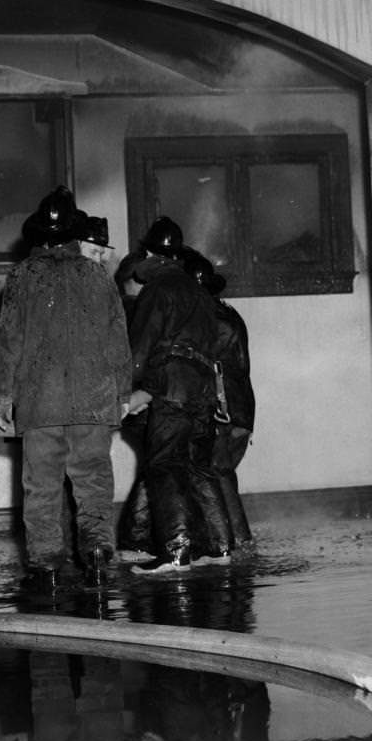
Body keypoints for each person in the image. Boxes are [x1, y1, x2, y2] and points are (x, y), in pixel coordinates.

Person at [0, 187, 134, 593]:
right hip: (92, 402)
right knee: (93, 484)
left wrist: (2, 396)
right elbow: (117, 339)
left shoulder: (21, 276)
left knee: (41, 488)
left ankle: (47, 569)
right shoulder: (96, 275)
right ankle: (97, 555)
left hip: (39, 405)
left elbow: (8, 341)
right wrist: (122, 394)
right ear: (74, 235)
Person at [123, 217, 234, 571]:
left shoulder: (158, 290)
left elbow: (140, 348)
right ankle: (220, 549)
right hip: (202, 394)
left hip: (171, 391)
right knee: (200, 468)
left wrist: (126, 392)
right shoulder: (200, 293)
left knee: (164, 466)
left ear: (151, 254)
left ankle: (177, 551)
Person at [183, 250, 255, 549]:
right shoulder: (229, 313)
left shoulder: (203, 320)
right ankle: (238, 541)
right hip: (240, 411)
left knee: (215, 474)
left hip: (220, 411)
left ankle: (233, 542)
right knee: (222, 473)